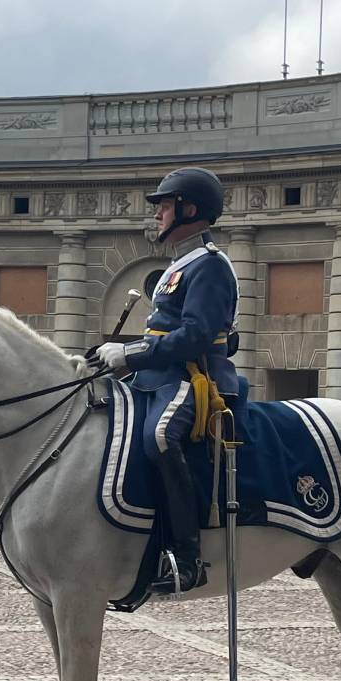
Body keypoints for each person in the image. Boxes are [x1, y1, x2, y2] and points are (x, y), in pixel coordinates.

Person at [95, 167, 238, 594]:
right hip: (157, 374)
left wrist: (132, 353)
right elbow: (166, 332)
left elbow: (194, 336)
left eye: (164, 205)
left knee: (160, 437)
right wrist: (118, 358)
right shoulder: (181, 264)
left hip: (192, 378)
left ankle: (187, 558)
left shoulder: (210, 265)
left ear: (189, 209)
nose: (157, 214)